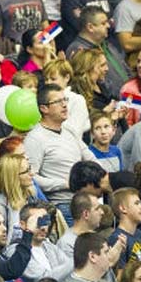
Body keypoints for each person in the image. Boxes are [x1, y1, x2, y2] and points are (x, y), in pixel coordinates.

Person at [24, 84, 98, 221]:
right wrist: (65, 183)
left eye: (65, 100)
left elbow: (90, 158)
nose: (64, 105)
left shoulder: (69, 130)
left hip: (86, 200)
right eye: (58, 101)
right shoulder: (35, 139)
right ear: (44, 108)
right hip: (62, 205)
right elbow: (31, 178)